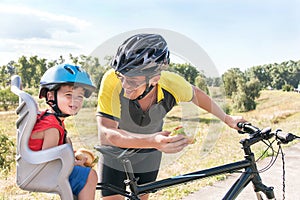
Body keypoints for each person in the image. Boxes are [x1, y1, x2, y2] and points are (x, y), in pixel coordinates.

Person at [96, 33, 246, 200]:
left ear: (155, 79)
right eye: (121, 77)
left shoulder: (172, 85)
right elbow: (107, 134)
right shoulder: (111, 80)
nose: (124, 86)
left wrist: (227, 118)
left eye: (132, 81)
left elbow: (196, 94)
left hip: (149, 152)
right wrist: (153, 141)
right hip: (116, 151)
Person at [29, 64, 98, 200]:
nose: (75, 101)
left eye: (80, 97)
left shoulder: (53, 119)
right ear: (50, 96)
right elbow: (49, 160)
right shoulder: (52, 128)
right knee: (90, 175)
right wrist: (74, 162)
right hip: (41, 172)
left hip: (43, 170)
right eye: (68, 95)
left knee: (83, 175)